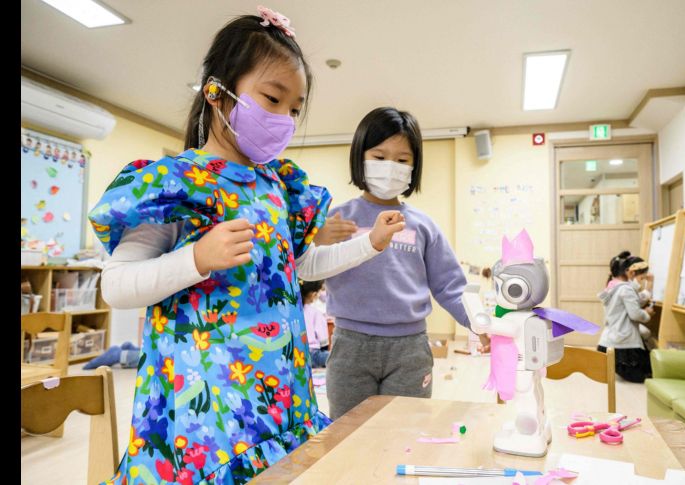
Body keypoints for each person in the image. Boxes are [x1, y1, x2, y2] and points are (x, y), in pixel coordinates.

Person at [87, 9, 405, 483]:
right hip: (201, 423)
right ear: (217, 93)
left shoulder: (278, 187)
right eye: (272, 99)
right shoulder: (179, 183)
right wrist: (196, 258)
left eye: (294, 109)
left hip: (279, 402)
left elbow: (295, 268)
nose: (284, 120)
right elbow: (115, 286)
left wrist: (370, 246)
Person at [318, 107, 472, 419]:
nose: (390, 168)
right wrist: (317, 238)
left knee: (406, 429)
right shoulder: (336, 219)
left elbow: (450, 286)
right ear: (360, 157)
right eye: (379, 157)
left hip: (409, 348)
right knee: (346, 434)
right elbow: (311, 267)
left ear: (414, 168)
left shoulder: (422, 225)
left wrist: (479, 324)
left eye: (402, 161)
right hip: (350, 345)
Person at [597, 252, 655, 383]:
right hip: (622, 346)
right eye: (641, 278)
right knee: (648, 374)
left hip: (607, 343)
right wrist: (647, 314)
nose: (640, 282)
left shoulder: (612, 286)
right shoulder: (625, 289)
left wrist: (648, 287)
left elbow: (633, 301)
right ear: (631, 273)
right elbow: (635, 313)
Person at [299, 279, 330, 368]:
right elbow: (323, 340)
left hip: (298, 354)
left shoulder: (295, 312)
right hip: (313, 354)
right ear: (314, 294)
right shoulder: (315, 312)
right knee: (334, 357)